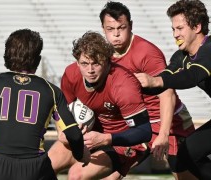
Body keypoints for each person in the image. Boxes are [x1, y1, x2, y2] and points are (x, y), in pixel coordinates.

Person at [0, 29, 90, 180]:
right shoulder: (52, 90)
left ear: (7, 55)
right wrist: (80, 155)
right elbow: (74, 135)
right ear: (37, 59)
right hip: (34, 169)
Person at [99, 2, 197, 180]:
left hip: (169, 122)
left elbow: (167, 94)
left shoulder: (146, 52)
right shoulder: (103, 56)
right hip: (136, 124)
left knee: (185, 175)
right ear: (103, 29)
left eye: (121, 27)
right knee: (97, 175)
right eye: (110, 29)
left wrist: (164, 134)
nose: (116, 34)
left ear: (131, 25)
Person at [48, 31, 152, 179]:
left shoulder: (123, 84)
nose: (90, 70)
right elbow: (61, 111)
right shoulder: (71, 74)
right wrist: (62, 132)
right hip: (88, 135)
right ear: (77, 62)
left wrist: (105, 139)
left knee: (76, 175)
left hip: (120, 141)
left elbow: (144, 131)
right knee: (45, 165)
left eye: (96, 63)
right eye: (84, 63)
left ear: (108, 61)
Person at [135, 0, 211, 179]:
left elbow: (193, 76)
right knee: (186, 155)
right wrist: (132, 87)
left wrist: (155, 81)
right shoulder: (180, 56)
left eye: (180, 28)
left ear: (197, 26)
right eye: (173, 29)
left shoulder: (209, 49)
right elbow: (165, 80)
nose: (175, 34)